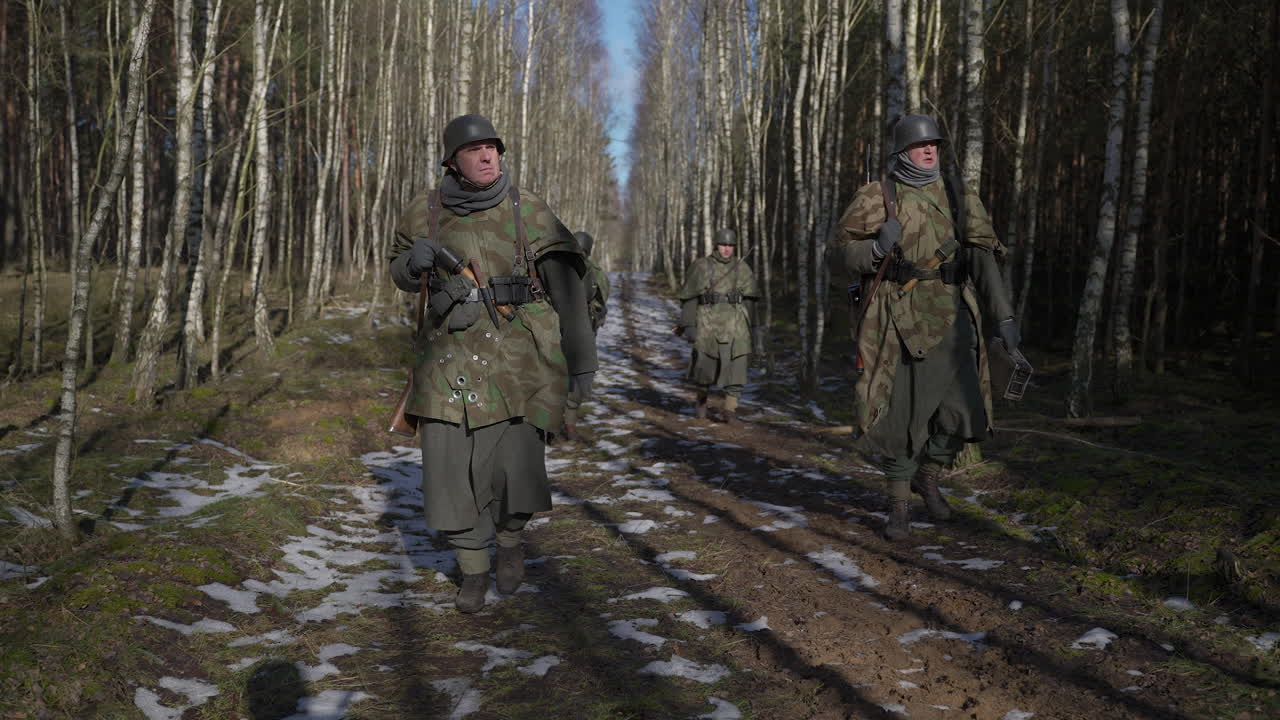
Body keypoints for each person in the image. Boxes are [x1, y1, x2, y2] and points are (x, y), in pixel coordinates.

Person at [388, 114, 597, 612]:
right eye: (475, 150)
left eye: (493, 148)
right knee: (448, 473)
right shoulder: (425, 210)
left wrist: (581, 363)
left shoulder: (529, 210)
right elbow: (398, 268)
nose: (487, 157)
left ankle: (508, 543)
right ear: (453, 161)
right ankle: (472, 569)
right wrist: (411, 263)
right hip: (448, 362)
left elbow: (569, 293)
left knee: (515, 474)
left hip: (519, 361)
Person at [834, 114, 1019, 541]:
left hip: (956, 316)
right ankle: (899, 502)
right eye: (921, 145)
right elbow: (840, 256)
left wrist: (1005, 316)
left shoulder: (958, 193)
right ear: (902, 152)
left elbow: (983, 257)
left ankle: (928, 476)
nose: (930, 149)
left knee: (967, 410)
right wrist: (876, 247)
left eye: (935, 142)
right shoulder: (877, 195)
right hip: (898, 317)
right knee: (901, 413)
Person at [675, 228, 759, 424]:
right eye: (724, 245)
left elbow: (750, 300)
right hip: (707, 321)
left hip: (736, 323)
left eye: (731, 245)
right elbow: (689, 298)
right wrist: (688, 325)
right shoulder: (701, 266)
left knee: (738, 366)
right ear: (716, 245)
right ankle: (702, 403)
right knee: (704, 368)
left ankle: (730, 410)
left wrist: (752, 327)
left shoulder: (743, 268)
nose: (727, 249)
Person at [561, 231, 610, 442]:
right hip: (555, 332)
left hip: (582, 334)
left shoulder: (596, 274)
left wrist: (593, 315)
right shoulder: (557, 267)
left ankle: (570, 424)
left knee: (579, 381)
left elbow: (601, 304)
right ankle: (550, 425)